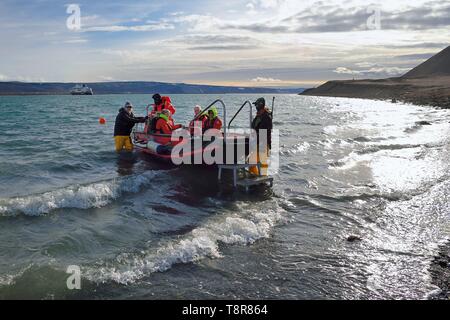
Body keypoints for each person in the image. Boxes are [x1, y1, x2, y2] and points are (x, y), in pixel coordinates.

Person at [249, 98, 272, 176]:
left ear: (260, 105)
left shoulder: (266, 117)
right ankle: (254, 176)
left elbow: (263, 132)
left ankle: (263, 179)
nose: (255, 106)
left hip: (263, 143)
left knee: (262, 162)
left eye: (256, 105)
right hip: (257, 142)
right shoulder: (258, 116)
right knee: (252, 160)